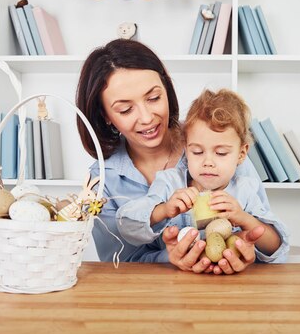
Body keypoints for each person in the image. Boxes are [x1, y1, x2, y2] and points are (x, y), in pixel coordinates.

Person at [76, 39, 283, 274]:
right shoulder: (101, 179)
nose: (146, 118)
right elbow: (117, 263)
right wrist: (169, 257)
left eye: (154, 98)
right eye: (125, 109)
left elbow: (268, 246)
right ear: (105, 115)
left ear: (166, 89)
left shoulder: (216, 139)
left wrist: (246, 252)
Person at [116, 89, 289, 267]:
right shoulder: (169, 183)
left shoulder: (245, 190)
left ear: (241, 154)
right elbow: (125, 224)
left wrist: (243, 218)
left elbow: (276, 245)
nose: (208, 162)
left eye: (221, 153)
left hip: (231, 285)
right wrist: (164, 209)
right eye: (197, 152)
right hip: (176, 283)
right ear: (186, 148)